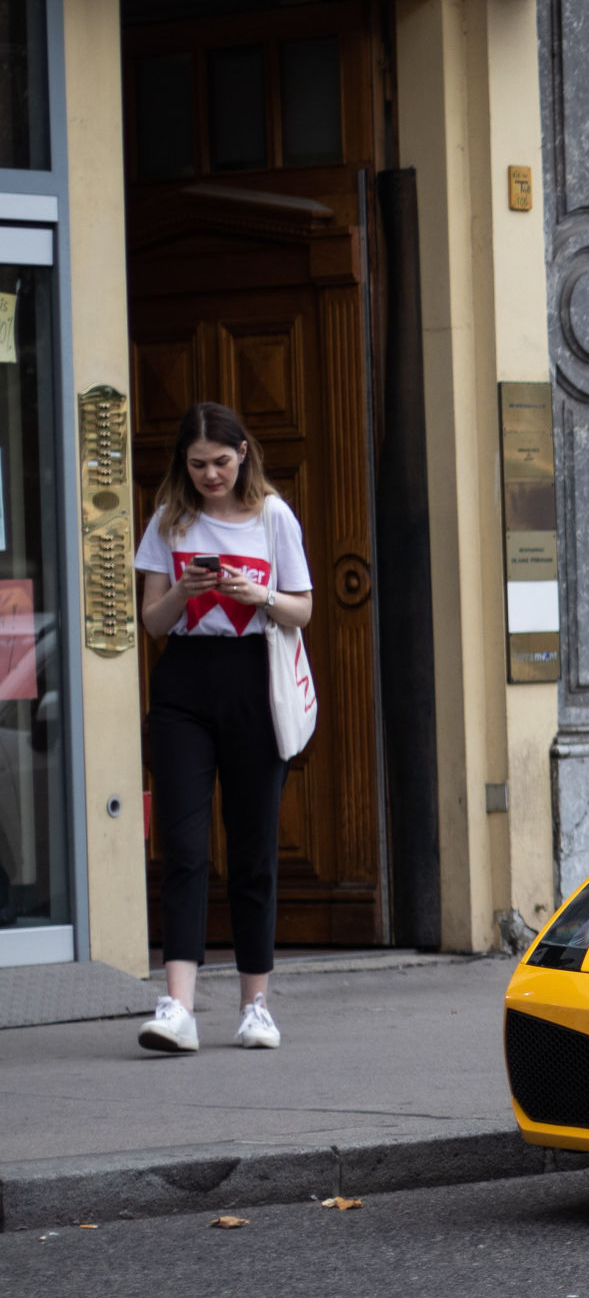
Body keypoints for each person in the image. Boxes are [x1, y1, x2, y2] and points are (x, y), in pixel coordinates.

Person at [132, 403, 314, 1053]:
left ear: (243, 453)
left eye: (221, 462)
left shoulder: (273, 517)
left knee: (252, 846)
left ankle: (255, 1004)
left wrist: (255, 595)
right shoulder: (169, 519)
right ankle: (177, 1005)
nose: (210, 474)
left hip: (253, 680)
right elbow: (153, 623)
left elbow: (303, 606)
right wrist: (185, 588)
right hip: (184, 682)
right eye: (197, 464)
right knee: (182, 845)